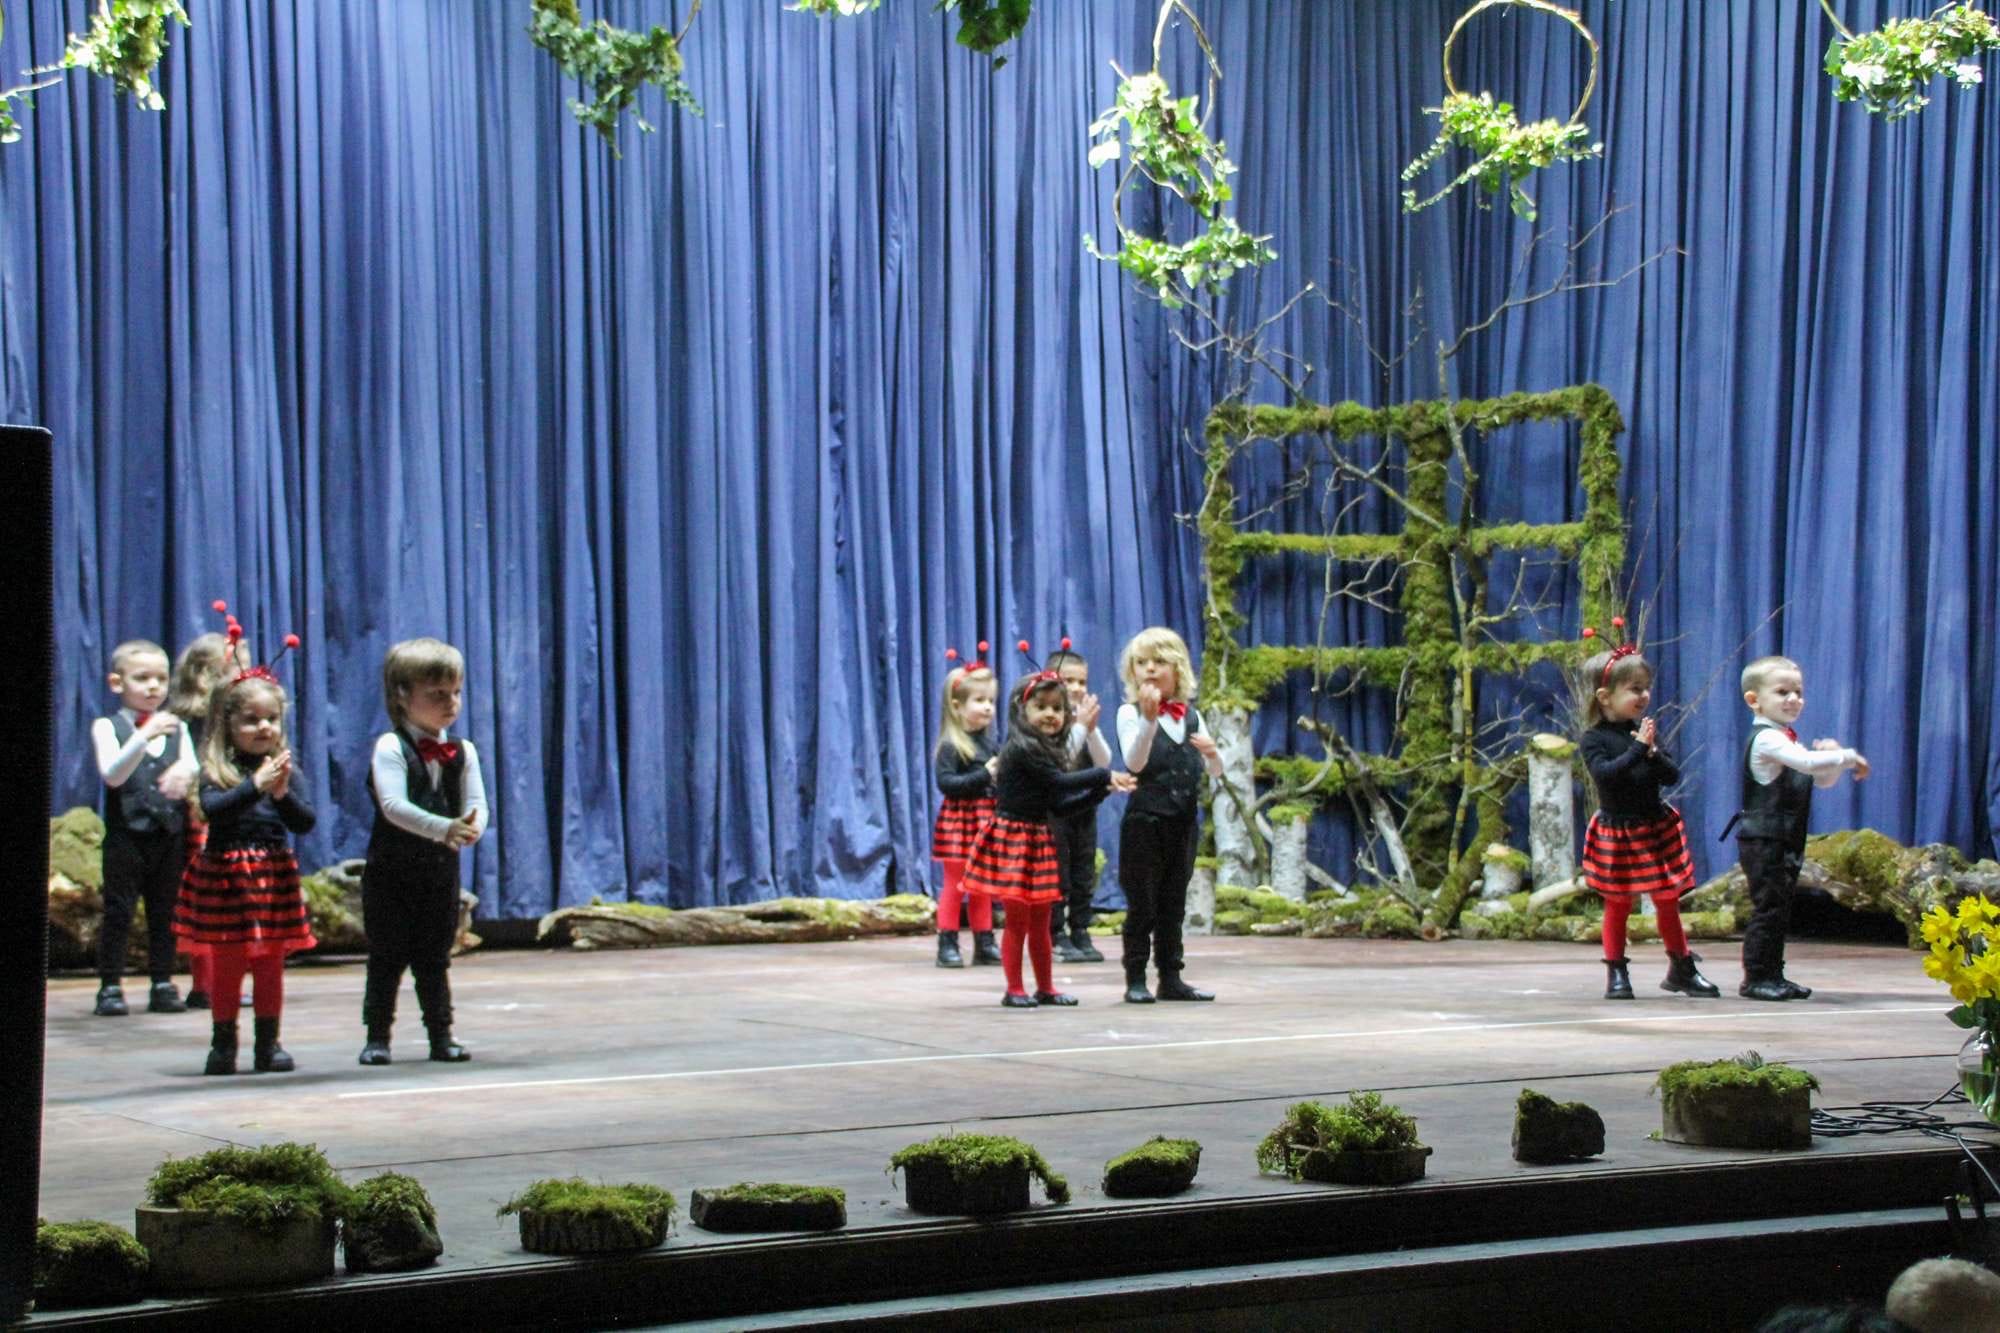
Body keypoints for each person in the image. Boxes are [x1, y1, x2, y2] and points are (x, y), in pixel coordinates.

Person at [173, 651, 317, 1074]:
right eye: (251, 720)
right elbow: (213, 810)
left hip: (271, 875)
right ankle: (223, 1044)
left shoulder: (286, 772)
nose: (263, 727)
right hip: (227, 877)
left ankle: (269, 1043)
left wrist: (281, 793)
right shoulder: (216, 771)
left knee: (270, 963)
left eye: (271, 719)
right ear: (228, 725)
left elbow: (304, 822)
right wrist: (255, 785)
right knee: (228, 963)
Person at [963, 656, 1131, 1007]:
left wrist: (1099, 793)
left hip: (1038, 837)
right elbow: (1058, 784)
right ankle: (1014, 989)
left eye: (1057, 708)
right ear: (1022, 710)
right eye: (1041, 707)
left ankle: (1046, 987)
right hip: (1014, 839)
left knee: (1040, 922)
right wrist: (1103, 775)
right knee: (1017, 922)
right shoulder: (1021, 750)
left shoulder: (1047, 750)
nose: (1051, 715)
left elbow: (1058, 805)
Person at [359, 638, 488, 1066]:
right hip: (390, 873)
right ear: (402, 695)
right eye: (437, 694)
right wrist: (445, 828)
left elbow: (477, 804)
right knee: (386, 957)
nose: (450, 703)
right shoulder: (390, 747)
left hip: (439, 873)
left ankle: (441, 1034)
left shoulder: (463, 751)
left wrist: (473, 827)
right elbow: (393, 807)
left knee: (435, 958)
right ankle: (377, 1037)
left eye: (456, 692)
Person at [1577, 632, 1719, 1000]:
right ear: (1605, 697)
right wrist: (1640, 748)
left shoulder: (1642, 732)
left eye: (1646, 688)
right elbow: (1607, 774)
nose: (1643, 695)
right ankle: (1616, 972)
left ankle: (1681, 967)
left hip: (1653, 826)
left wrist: (1653, 752)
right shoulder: (1594, 739)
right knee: (1618, 903)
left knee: (1667, 899)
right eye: (1634, 689)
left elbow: (1671, 776)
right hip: (1618, 830)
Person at [1725, 654, 1867, 1001]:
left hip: (1784, 837)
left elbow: (1820, 778)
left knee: (1779, 908)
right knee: (1768, 908)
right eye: (1782, 692)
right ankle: (1757, 977)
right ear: (1754, 700)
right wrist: (1847, 756)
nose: (1793, 699)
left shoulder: (1785, 740)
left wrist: (1835, 759)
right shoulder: (1767, 739)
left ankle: (1773, 973)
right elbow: (1807, 763)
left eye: (1798, 692)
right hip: (1764, 837)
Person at [90, 639, 199, 1017]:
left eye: (161, 679)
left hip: (168, 835)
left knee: (164, 911)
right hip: (126, 836)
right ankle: (110, 985)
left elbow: (192, 765)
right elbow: (113, 775)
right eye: (142, 678)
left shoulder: (177, 728)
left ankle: (162, 982)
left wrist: (187, 771)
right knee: (118, 911)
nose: (154, 686)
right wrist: (144, 735)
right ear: (116, 683)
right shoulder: (108, 726)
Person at [1115, 627, 1223, 1004]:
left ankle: (1171, 977)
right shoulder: (1128, 714)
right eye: (1141, 662)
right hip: (1145, 822)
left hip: (1182, 823)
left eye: (1159, 661)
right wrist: (1148, 720)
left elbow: (1216, 772)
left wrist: (1213, 754)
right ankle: (1135, 978)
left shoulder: (1192, 716)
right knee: (1142, 903)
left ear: (1178, 669)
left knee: (1173, 903)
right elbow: (1134, 762)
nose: (1149, 669)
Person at [166, 628, 250, 1010]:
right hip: (198, 821)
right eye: (237, 669)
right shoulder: (187, 725)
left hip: (227, 816)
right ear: (204, 677)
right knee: (206, 901)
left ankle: (222, 980)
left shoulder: (233, 724)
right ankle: (205, 983)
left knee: (229, 903)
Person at [931, 645, 1001, 968]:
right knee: (956, 884)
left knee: (983, 885)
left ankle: (984, 942)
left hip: (985, 820)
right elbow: (947, 784)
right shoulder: (950, 745)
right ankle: (947, 943)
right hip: (960, 822)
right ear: (957, 706)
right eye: (980, 700)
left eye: (991, 701)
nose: (987, 707)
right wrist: (984, 774)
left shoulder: (990, 743)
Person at [1048, 643, 1111, 964]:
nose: (1076, 688)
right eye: (1068, 680)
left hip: (1084, 807)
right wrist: (1080, 727)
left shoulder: (1084, 722)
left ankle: (1080, 929)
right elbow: (1059, 763)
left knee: (1083, 870)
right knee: (1058, 871)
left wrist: (1091, 730)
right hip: (1053, 811)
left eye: (1081, 682)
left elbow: (1103, 762)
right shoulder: (1048, 720)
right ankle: (1055, 932)